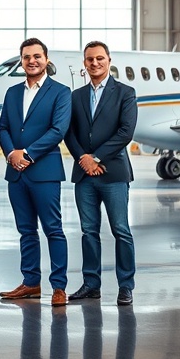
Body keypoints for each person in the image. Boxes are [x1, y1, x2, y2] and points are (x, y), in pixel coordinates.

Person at [0, 38, 72, 307]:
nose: (32, 61)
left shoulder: (60, 92)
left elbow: (58, 130)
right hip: (16, 173)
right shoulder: (12, 92)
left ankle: (59, 287)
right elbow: (3, 127)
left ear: (46, 59)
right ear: (21, 60)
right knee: (26, 230)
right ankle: (30, 282)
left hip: (45, 171)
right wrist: (11, 154)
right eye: (26, 57)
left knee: (53, 229)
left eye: (37, 56)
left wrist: (27, 154)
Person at [64, 41, 137, 306]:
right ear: (84, 63)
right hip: (84, 175)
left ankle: (126, 286)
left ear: (109, 60)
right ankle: (91, 284)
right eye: (90, 59)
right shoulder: (76, 96)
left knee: (121, 230)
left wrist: (96, 157)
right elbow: (69, 132)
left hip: (114, 173)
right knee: (88, 231)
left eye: (99, 59)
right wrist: (83, 159)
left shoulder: (125, 93)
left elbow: (125, 132)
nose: (95, 63)